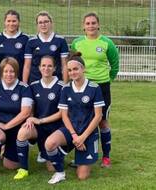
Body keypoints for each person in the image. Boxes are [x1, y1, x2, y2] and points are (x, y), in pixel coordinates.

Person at [44, 52, 105, 184]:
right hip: (71, 130)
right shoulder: (65, 89)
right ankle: (60, 173)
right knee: (49, 143)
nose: (72, 72)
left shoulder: (94, 88)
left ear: (83, 69)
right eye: (69, 70)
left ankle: (78, 158)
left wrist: (82, 137)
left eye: (76, 69)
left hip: (88, 133)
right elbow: (64, 115)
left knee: (82, 176)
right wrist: (74, 135)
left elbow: (98, 116)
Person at [71, 12, 119, 167]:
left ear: (98, 25)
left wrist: (107, 79)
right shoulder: (77, 43)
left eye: (93, 23)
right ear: (83, 26)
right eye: (87, 23)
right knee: (82, 122)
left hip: (102, 86)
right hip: (83, 86)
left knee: (102, 122)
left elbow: (115, 65)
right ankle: (81, 156)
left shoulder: (107, 43)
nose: (90, 26)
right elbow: (73, 62)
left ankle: (106, 157)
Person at [13, 56, 64, 180]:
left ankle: (51, 152)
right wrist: (30, 118)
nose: (46, 68)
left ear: (55, 68)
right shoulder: (33, 86)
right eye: (43, 66)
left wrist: (41, 120)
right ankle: (23, 169)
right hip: (38, 127)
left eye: (49, 66)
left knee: (51, 168)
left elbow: (61, 113)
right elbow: (31, 108)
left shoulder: (62, 86)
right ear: (39, 68)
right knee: (22, 132)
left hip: (55, 128)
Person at [0, 57, 33, 177]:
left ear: (16, 71)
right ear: (1, 72)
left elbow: (25, 112)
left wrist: (6, 126)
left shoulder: (24, 88)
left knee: (10, 165)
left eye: (12, 71)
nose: (9, 74)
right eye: (6, 71)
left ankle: (5, 150)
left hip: (16, 128)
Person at [23, 11, 69, 84]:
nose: (43, 25)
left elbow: (65, 65)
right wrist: (24, 85)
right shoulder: (31, 42)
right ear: (37, 25)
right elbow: (27, 66)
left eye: (46, 22)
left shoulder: (60, 40)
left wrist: (65, 85)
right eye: (40, 22)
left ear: (51, 23)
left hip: (56, 82)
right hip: (35, 81)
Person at [0, 9, 29, 81]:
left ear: (19, 22)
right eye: (8, 21)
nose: (11, 24)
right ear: (4, 22)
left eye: (14, 21)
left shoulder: (25, 39)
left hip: (18, 79)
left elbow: (27, 63)